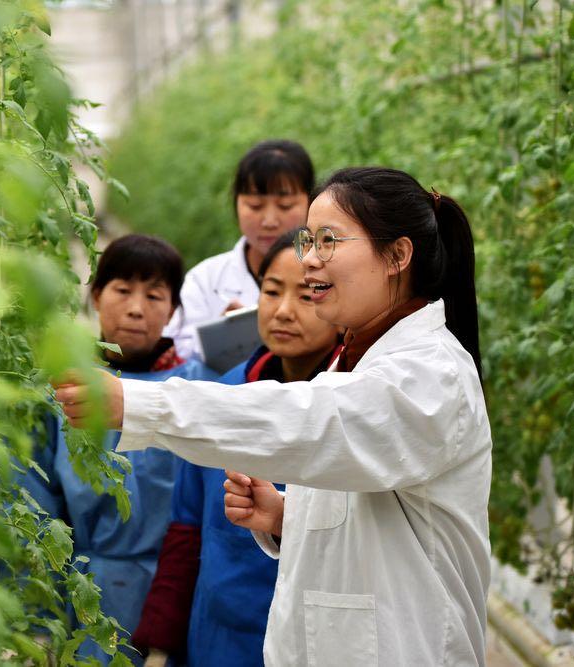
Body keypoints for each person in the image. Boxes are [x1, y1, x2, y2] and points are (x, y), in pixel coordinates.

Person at [54, 167, 492, 666]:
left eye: (329, 241)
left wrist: (140, 404)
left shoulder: (430, 375)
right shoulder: (355, 360)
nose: (310, 259)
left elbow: (311, 422)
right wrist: (288, 516)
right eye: (309, 240)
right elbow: (379, 514)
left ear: (397, 256)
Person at [131, 231, 341, 667]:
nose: (283, 311)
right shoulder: (222, 396)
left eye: (306, 296)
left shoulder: (348, 409)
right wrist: (160, 641)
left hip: (310, 638)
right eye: (271, 291)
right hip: (215, 636)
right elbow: (187, 527)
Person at [19, 234, 216, 666]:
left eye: (154, 295)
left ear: (174, 309)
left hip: (176, 596)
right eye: (122, 290)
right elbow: (33, 506)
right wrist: (38, 618)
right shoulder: (63, 391)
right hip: (83, 594)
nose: (136, 308)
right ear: (95, 296)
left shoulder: (202, 388)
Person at [164, 140, 314, 361]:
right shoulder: (206, 280)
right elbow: (173, 352)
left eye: (285, 206)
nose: (269, 221)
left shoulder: (327, 275)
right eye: (255, 205)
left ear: (312, 203)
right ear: (236, 203)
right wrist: (222, 338)